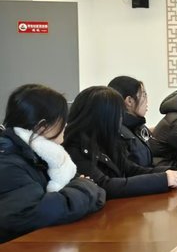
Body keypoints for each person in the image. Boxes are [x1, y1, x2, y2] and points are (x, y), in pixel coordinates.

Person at [0, 84, 105, 243]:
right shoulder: (7, 162)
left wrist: (83, 187)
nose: (65, 125)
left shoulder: (46, 154)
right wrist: (84, 185)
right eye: (61, 120)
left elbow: (98, 193)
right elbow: (38, 213)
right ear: (42, 126)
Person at [63, 86, 177, 199]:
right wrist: (162, 180)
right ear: (104, 117)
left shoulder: (106, 140)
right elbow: (104, 185)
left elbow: (130, 169)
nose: (120, 120)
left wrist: (167, 172)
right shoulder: (75, 149)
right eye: (118, 115)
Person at [108, 76, 157, 168]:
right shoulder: (117, 132)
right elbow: (131, 171)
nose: (147, 101)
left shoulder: (138, 126)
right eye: (144, 95)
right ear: (129, 101)